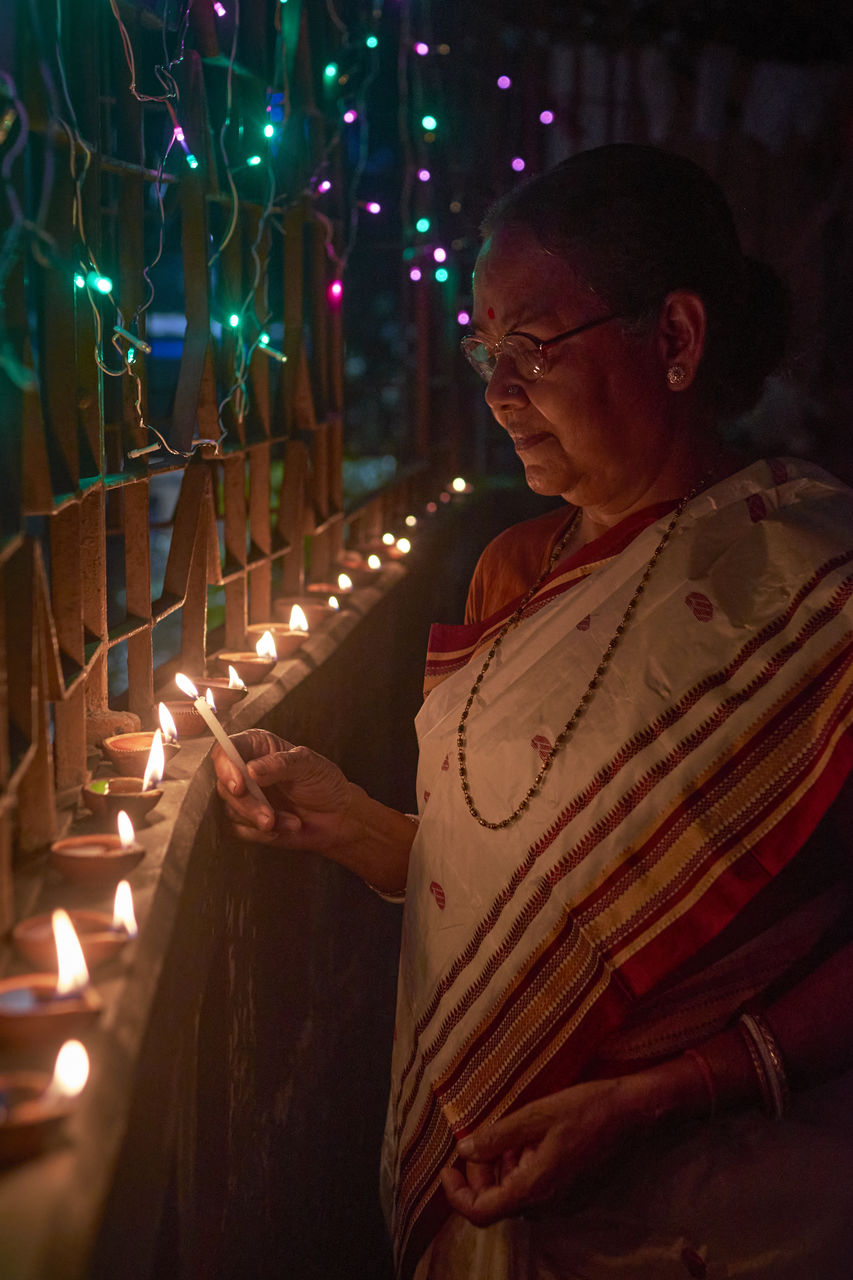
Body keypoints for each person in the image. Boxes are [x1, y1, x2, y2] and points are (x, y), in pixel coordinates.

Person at [212, 144, 853, 1280]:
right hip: (499, 1195)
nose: (497, 387)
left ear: (674, 340)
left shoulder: (813, 592)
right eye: (483, 346)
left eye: (534, 345)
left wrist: (654, 1095)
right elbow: (517, 882)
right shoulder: (511, 572)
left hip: (728, 1208)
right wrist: (354, 824)